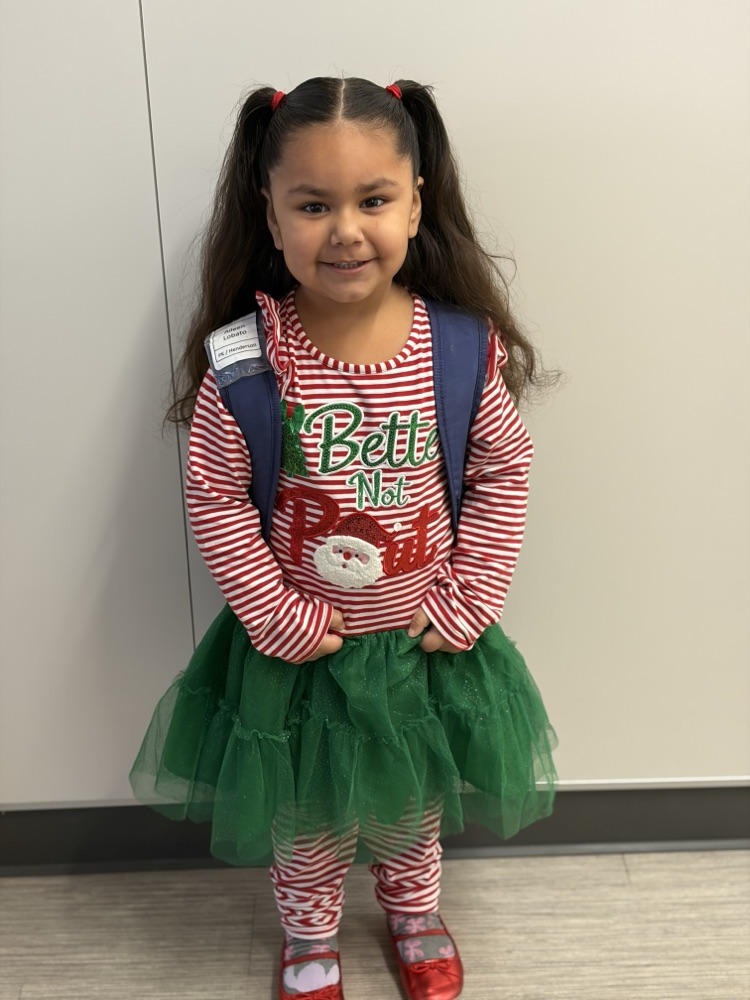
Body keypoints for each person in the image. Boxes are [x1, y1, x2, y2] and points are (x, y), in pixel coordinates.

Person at [130, 76, 557, 1000]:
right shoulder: (248, 356)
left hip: (421, 643)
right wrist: (270, 608)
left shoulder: (457, 348)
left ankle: (413, 913)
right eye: (313, 204)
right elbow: (214, 493)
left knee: (413, 808)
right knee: (306, 816)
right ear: (271, 213)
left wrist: (471, 594)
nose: (345, 229)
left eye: (373, 200)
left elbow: (502, 473)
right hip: (298, 655)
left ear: (415, 203)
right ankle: (309, 937)